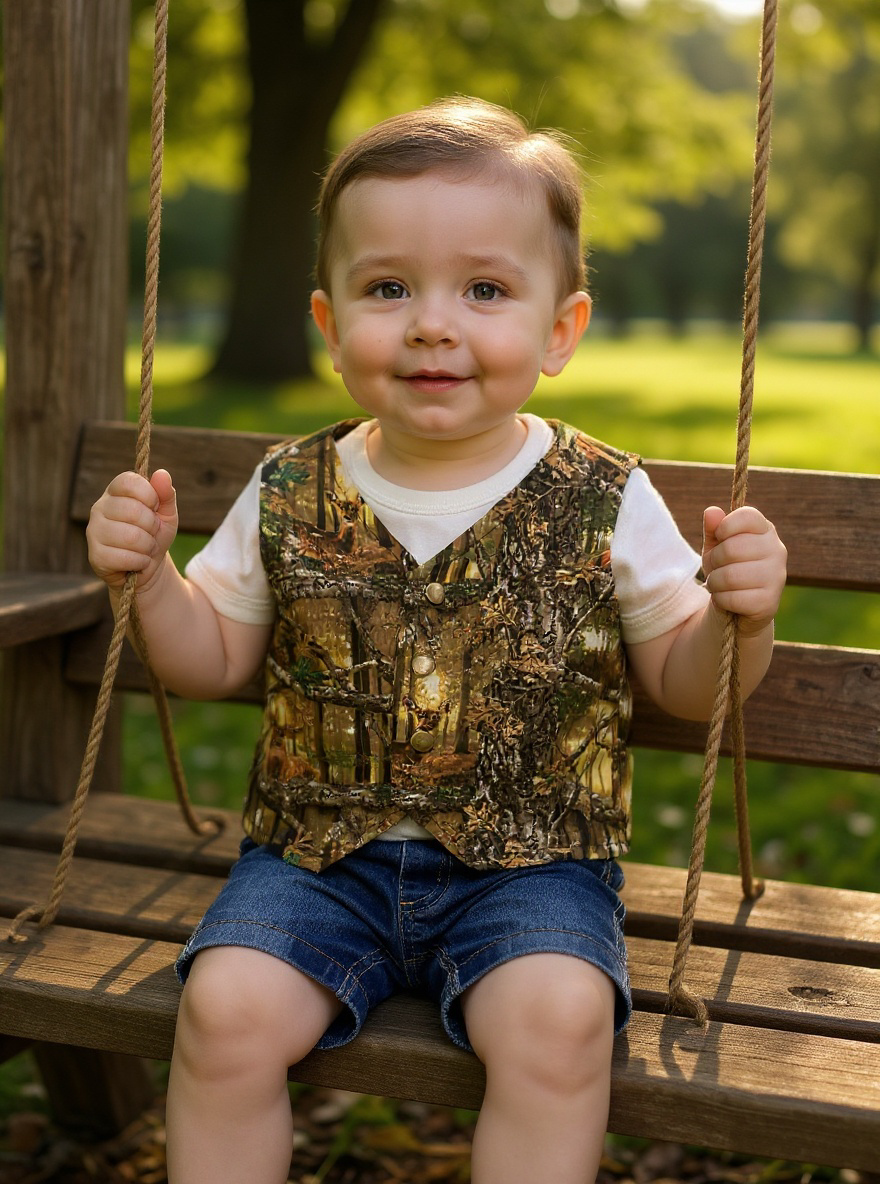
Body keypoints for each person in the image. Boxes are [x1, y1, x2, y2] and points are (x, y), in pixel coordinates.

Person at [86, 97, 787, 1184]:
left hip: (537, 867)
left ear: (560, 329)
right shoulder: (289, 486)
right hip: (316, 860)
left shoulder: (605, 495)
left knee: (556, 1022)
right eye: (387, 287)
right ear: (329, 322)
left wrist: (744, 616)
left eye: (486, 289)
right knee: (222, 1011)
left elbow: (690, 690)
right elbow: (208, 659)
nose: (431, 322)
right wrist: (150, 579)